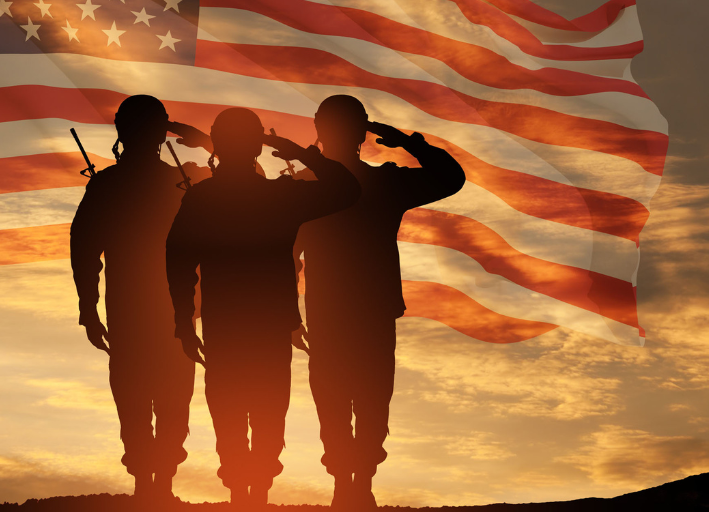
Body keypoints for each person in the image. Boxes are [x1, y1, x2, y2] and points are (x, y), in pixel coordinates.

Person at [165, 107, 360, 507]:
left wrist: (185, 322)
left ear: (218, 145)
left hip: (226, 324)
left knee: (230, 409)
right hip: (269, 324)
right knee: (268, 408)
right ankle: (253, 493)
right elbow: (346, 189)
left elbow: (178, 260)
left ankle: (242, 493)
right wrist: (296, 151)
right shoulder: (280, 196)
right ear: (257, 145)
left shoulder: (204, 198)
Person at [296, 95, 465, 509]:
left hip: (343, 307)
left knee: (352, 395)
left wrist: (405, 141)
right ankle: (351, 483)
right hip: (350, 307)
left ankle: (354, 482)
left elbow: (452, 179)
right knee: (359, 394)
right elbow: (449, 177)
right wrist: (404, 141)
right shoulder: (378, 183)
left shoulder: (320, 185)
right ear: (361, 132)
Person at [70, 95, 207, 502]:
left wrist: (89, 308)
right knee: (161, 399)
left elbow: (83, 250)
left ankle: (153, 485)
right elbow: (84, 249)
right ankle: (154, 486)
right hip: (162, 313)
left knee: (144, 399)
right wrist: (187, 133)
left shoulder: (119, 184)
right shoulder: (181, 183)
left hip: (154, 313)